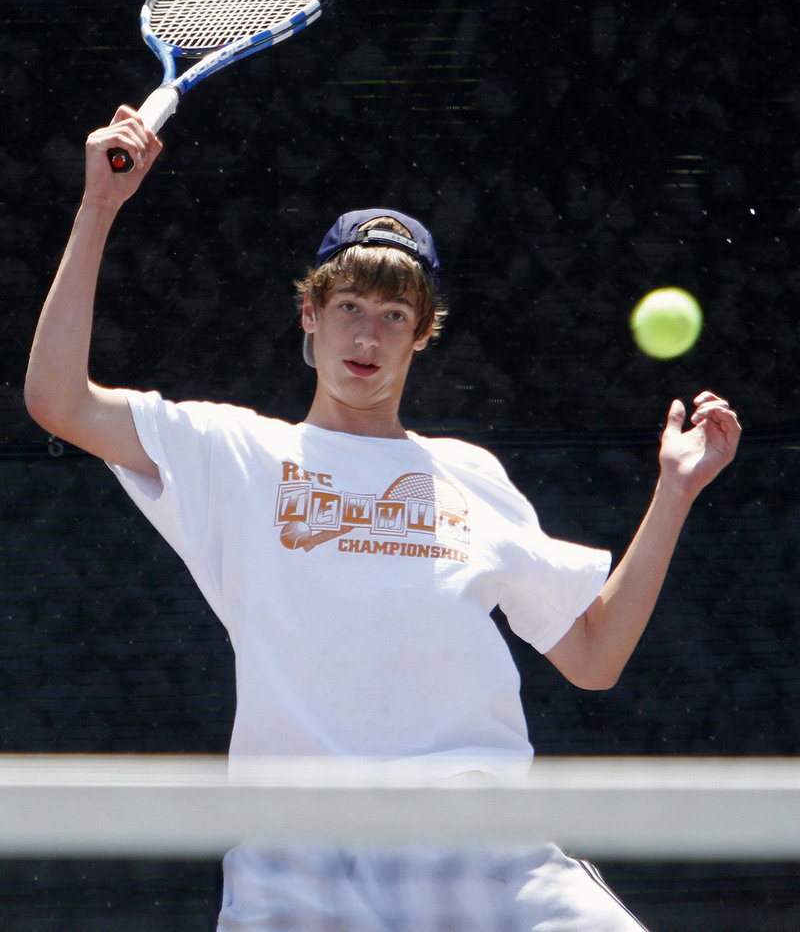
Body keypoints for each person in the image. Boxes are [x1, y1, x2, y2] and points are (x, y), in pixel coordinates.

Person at [26, 107, 741, 931]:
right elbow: (56, 400)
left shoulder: (471, 475)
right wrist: (98, 208)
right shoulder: (230, 450)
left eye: (395, 315)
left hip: (483, 852)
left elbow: (594, 655)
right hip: (296, 862)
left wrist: (675, 490)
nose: (368, 333)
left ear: (421, 336)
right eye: (350, 306)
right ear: (310, 315)